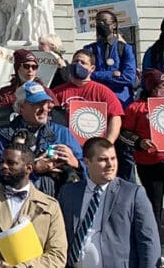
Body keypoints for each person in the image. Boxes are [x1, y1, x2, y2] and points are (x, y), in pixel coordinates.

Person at [56, 137, 159, 268]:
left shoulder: (133, 194)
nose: (111, 165)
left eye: (113, 158)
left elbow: (149, 245)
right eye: (103, 159)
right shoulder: (69, 192)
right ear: (87, 162)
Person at [122, 69, 164, 249]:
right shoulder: (137, 107)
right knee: (154, 209)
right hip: (150, 163)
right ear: (152, 89)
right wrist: (140, 142)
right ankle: (154, 249)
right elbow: (123, 133)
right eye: (163, 86)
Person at [0, 81, 84, 197]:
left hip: (56, 202)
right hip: (17, 202)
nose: (43, 108)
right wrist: (33, 169)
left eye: (45, 103)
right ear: (21, 107)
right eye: (36, 104)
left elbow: (90, 169)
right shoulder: (5, 135)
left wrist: (77, 164)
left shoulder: (62, 133)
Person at [53, 49, 127, 179]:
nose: (78, 65)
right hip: (66, 150)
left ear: (92, 68)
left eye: (83, 62)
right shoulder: (57, 92)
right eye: (75, 61)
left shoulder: (102, 91)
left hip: (94, 151)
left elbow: (116, 117)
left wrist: (107, 143)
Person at [84, 10, 136, 109]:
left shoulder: (125, 48)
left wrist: (98, 76)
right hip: (96, 100)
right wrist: (110, 74)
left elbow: (129, 78)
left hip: (121, 101)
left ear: (114, 25)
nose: (100, 24)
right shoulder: (89, 49)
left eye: (104, 21)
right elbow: (86, 74)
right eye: (98, 22)